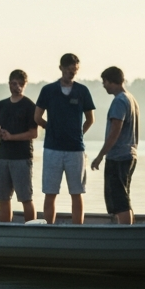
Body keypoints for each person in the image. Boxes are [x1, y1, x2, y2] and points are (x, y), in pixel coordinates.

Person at [33, 53, 96, 224]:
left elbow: (90, 119)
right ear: (61, 68)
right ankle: (48, 228)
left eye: (74, 71)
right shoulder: (48, 90)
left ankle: (78, 228)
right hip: (52, 148)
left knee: (77, 192)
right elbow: (37, 117)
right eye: (68, 70)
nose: (71, 74)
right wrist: (50, 127)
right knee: (50, 192)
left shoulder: (82, 91)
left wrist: (79, 132)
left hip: (76, 149)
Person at [0, 69, 38, 222]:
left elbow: (33, 133)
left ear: (25, 85)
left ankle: (31, 230)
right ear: (9, 84)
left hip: (22, 157)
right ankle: (4, 230)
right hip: (3, 157)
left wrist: (12, 137)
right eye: (14, 83)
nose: (17, 87)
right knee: (3, 198)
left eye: (21, 84)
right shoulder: (2, 105)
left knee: (25, 198)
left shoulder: (29, 106)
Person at [90, 65, 139, 224]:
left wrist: (100, 156)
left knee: (119, 200)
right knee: (124, 197)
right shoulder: (131, 99)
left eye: (104, 82)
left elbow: (115, 130)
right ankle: (127, 229)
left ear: (111, 81)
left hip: (118, 156)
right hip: (130, 154)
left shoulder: (119, 101)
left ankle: (125, 234)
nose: (103, 85)